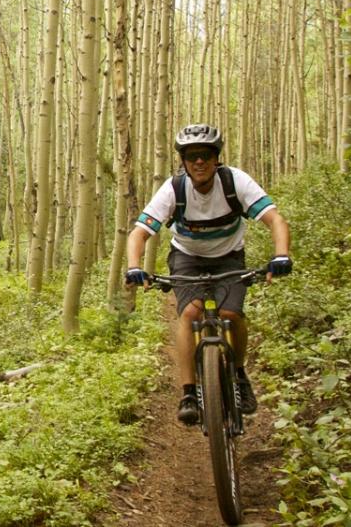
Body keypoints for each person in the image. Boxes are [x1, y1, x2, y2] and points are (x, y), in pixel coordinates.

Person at [125, 123, 292, 425]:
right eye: (191, 157)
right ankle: (189, 392)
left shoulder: (236, 182)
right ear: (183, 163)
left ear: (216, 159)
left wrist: (281, 255)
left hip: (229, 257)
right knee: (190, 315)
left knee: (232, 313)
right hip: (187, 257)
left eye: (205, 155)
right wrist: (135, 267)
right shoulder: (174, 189)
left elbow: (276, 220)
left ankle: (239, 376)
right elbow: (138, 233)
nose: (199, 161)